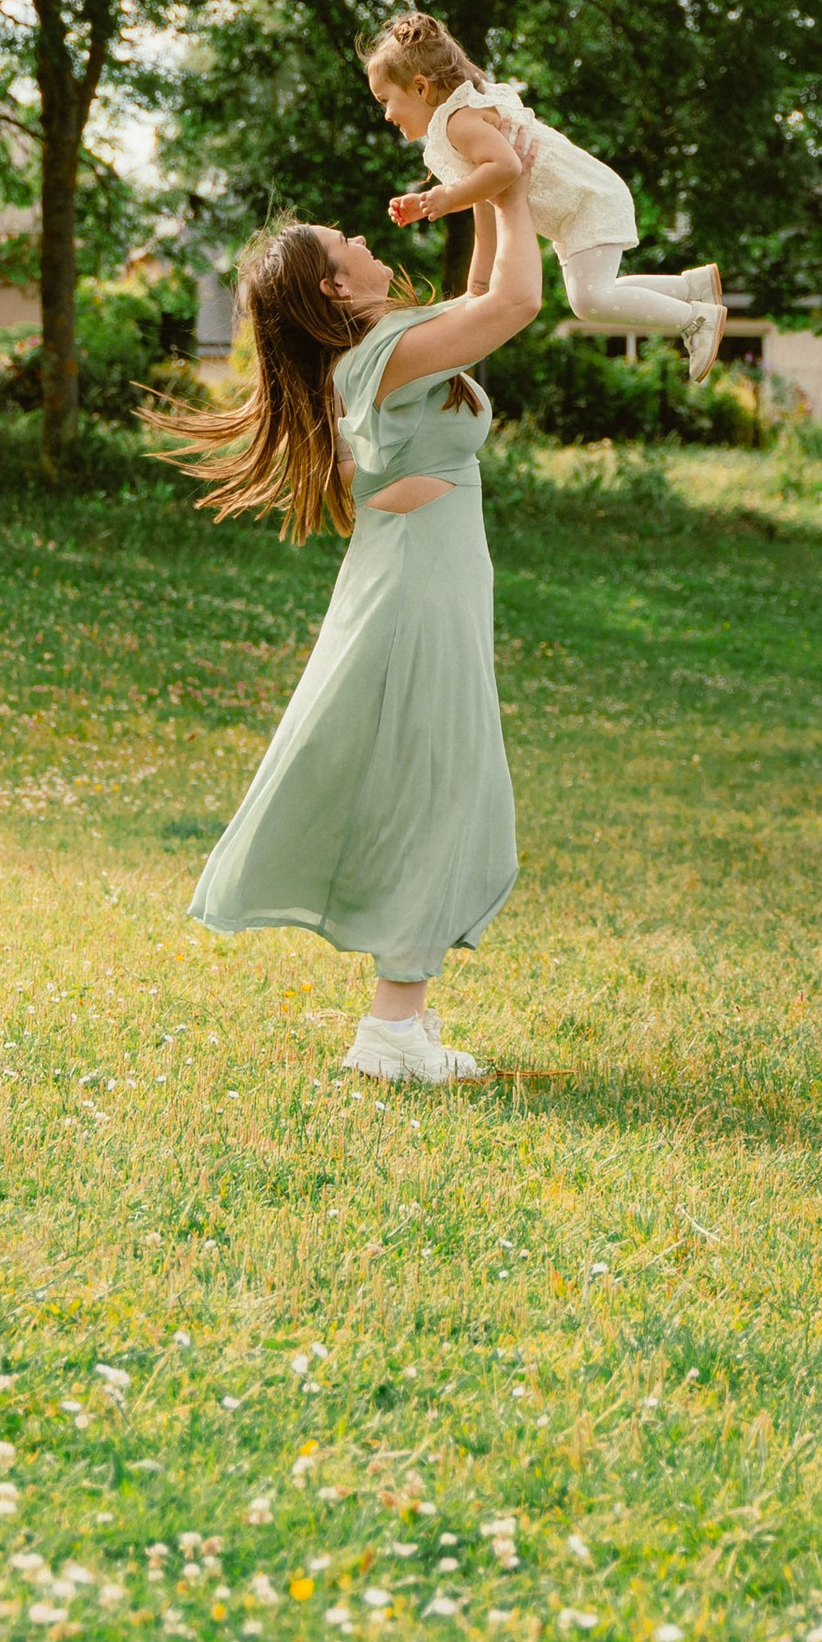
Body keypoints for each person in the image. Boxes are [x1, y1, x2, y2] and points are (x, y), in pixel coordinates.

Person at [151, 153, 544, 1086]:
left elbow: (488, 286)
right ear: (335, 285)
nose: (367, 240)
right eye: (348, 243)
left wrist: (484, 185)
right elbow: (520, 302)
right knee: (436, 786)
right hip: (414, 593)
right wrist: (513, 186)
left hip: (425, 582)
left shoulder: (393, 342)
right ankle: (392, 1032)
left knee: (439, 782)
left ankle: (400, 1020)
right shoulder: (383, 356)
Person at [364, 10, 727, 377]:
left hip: (587, 201)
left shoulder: (461, 121)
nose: (386, 114)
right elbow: (487, 207)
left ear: (421, 87)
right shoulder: (461, 125)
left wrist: (447, 198)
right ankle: (690, 287)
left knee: (588, 301)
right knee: (595, 291)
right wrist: (477, 288)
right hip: (579, 205)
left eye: (384, 100)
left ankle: (695, 321)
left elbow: (508, 168)